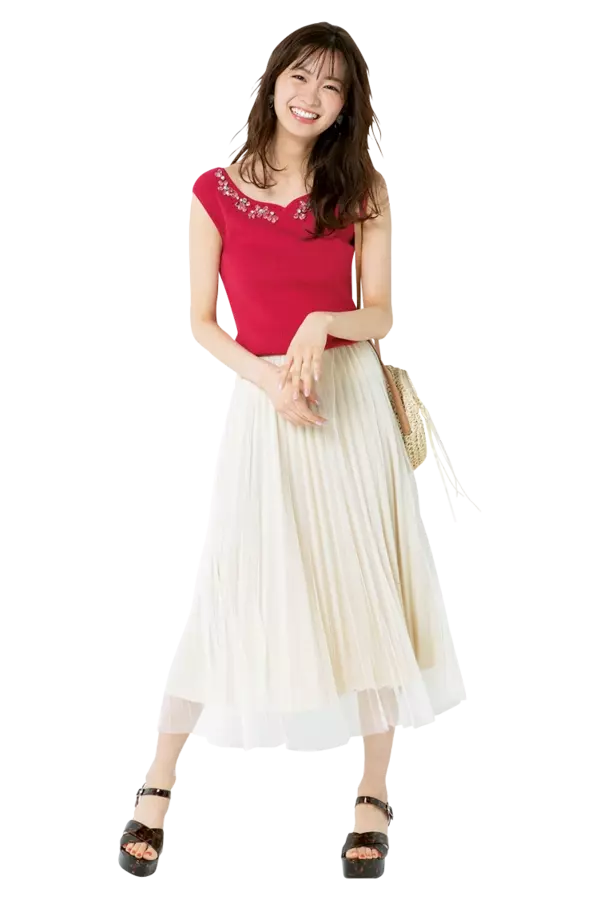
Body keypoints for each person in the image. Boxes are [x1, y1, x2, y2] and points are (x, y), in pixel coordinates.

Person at [119, 21, 468, 880]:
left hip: (349, 403)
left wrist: (319, 323)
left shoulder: (361, 189)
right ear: (272, 82)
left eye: (332, 87)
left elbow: (379, 312)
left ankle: (372, 797)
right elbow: (201, 323)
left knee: (366, 585)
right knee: (229, 588)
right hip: (267, 404)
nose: (312, 98)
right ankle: (157, 785)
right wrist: (270, 380)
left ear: (349, 106)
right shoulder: (212, 191)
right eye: (301, 78)